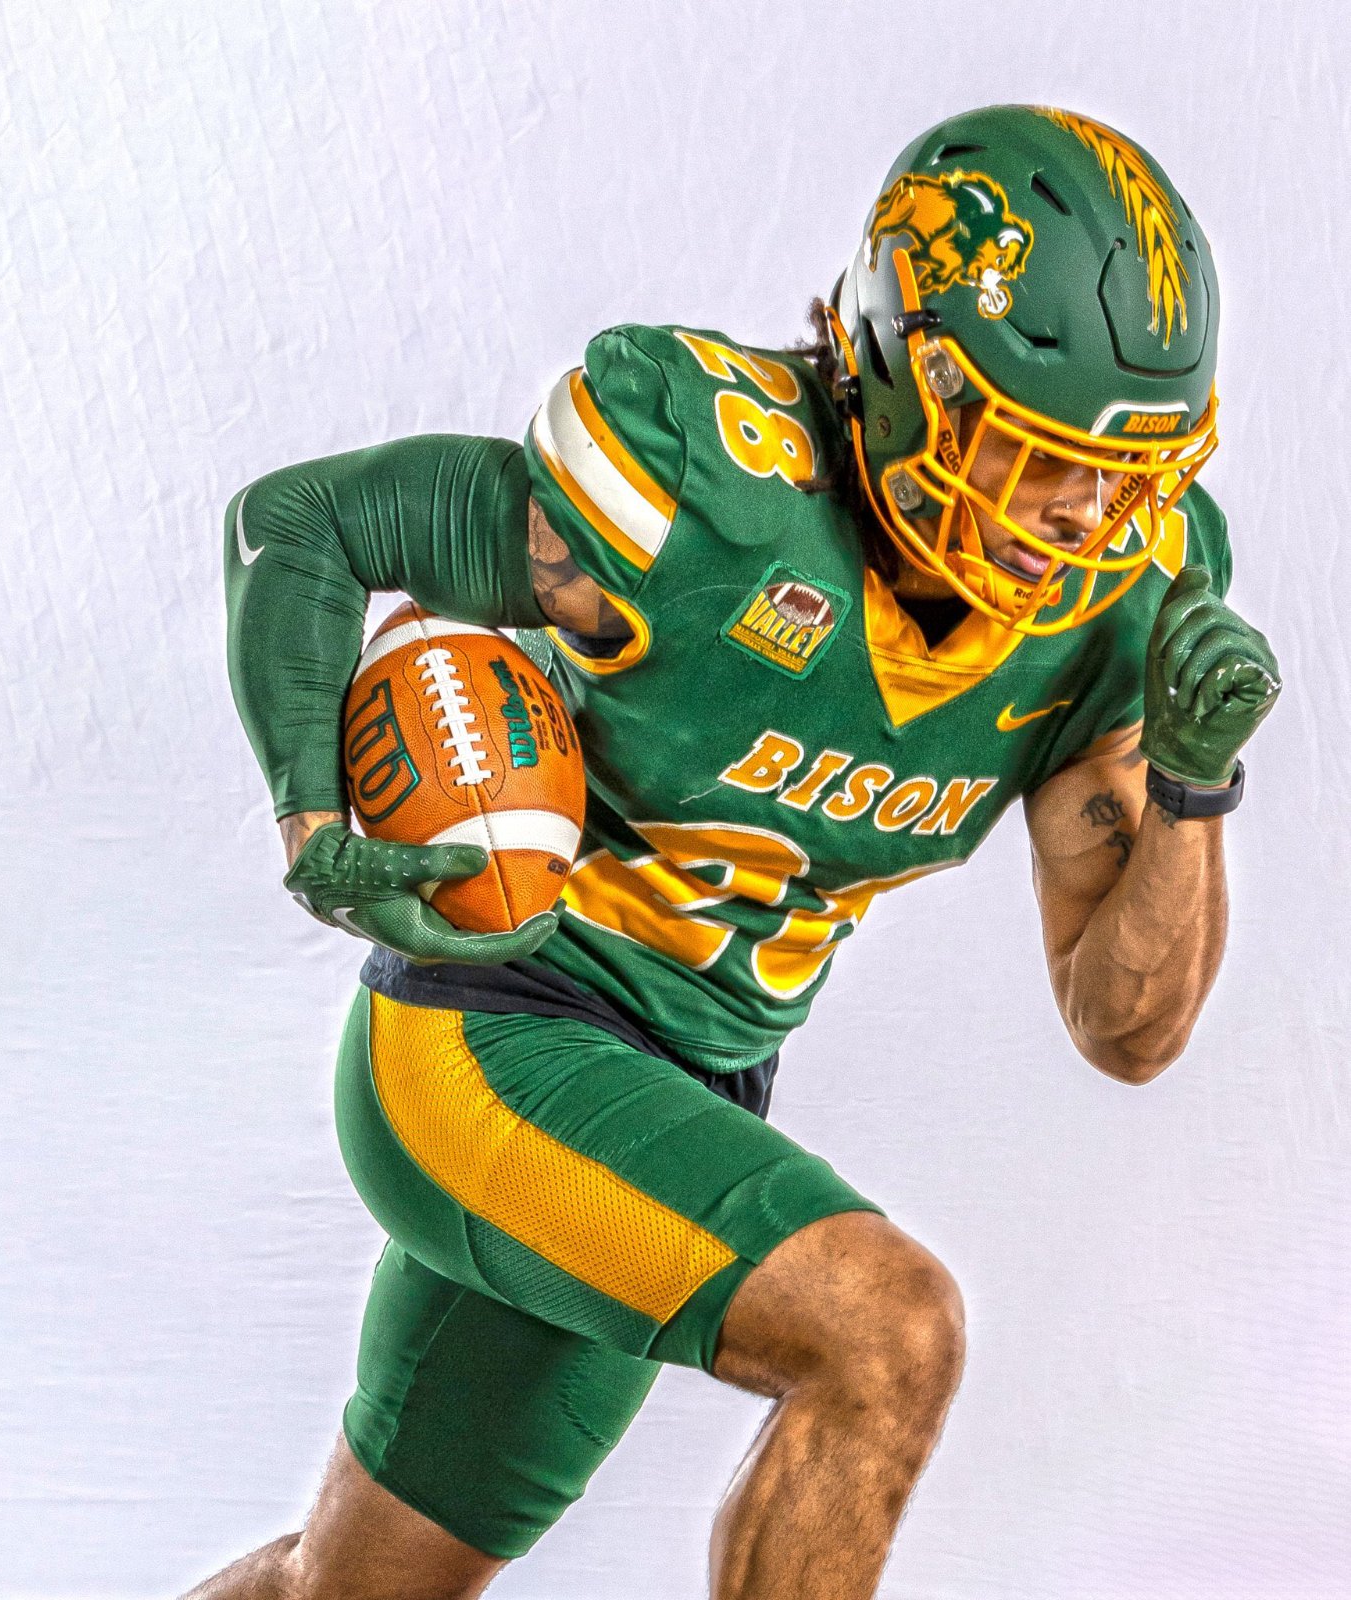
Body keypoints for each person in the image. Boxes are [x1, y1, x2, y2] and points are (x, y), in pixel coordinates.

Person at [191, 105, 1280, 1600]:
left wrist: (1191, 786)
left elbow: (1126, 1029)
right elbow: (304, 522)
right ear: (911, 376)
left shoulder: (1115, 592)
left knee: (345, 1590)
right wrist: (314, 820)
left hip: (690, 1090)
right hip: (491, 1034)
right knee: (885, 1335)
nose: (1084, 512)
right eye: (1039, 455)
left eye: (1128, 469)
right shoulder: (707, 483)